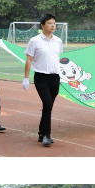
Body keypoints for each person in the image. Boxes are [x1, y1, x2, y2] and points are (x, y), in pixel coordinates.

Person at [24, 14, 63, 146]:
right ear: (42, 25)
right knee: (47, 104)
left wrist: (61, 74)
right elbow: (29, 59)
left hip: (55, 77)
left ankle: (42, 132)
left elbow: (57, 58)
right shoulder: (34, 41)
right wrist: (26, 78)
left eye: (54, 23)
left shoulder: (58, 41)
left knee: (48, 106)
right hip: (41, 77)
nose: (53, 25)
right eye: (49, 23)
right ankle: (46, 134)